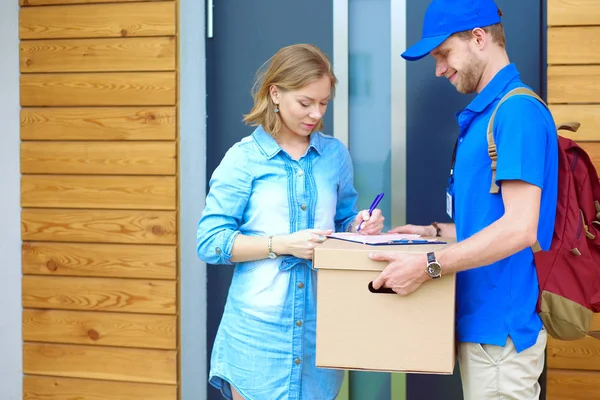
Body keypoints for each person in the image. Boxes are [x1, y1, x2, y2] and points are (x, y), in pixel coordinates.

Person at [369, 1, 558, 399]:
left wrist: (428, 266)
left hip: (500, 339)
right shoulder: (484, 116)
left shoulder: (516, 112)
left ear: (479, 38)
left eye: (443, 54)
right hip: (481, 331)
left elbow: (520, 227)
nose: (438, 69)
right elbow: (493, 221)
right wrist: (434, 232)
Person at [197, 43, 384, 400]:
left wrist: (359, 227)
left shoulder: (334, 155)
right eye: (305, 102)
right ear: (276, 94)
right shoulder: (243, 159)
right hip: (257, 335)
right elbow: (210, 241)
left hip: (321, 330)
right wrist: (280, 244)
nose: (316, 113)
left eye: (324, 103)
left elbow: (343, 222)